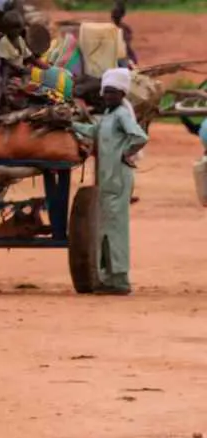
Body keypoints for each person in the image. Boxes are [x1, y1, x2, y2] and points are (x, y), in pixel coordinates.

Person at [89, 67, 147, 296]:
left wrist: (126, 153)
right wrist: (70, 126)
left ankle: (120, 281)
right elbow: (93, 131)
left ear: (122, 94)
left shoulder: (122, 114)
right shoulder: (108, 115)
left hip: (118, 178)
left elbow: (140, 137)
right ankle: (109, 278)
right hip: (108, 178)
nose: (108, 96)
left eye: (113, 92)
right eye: (106, 92)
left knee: (115, 228)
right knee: (106, 228)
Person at [110, 1, 137, 67]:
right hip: (122, 59)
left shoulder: (107, 28)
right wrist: (132, 59)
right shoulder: (126, 29)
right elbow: (127, 46)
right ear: (123, 14)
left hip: (113, 59)